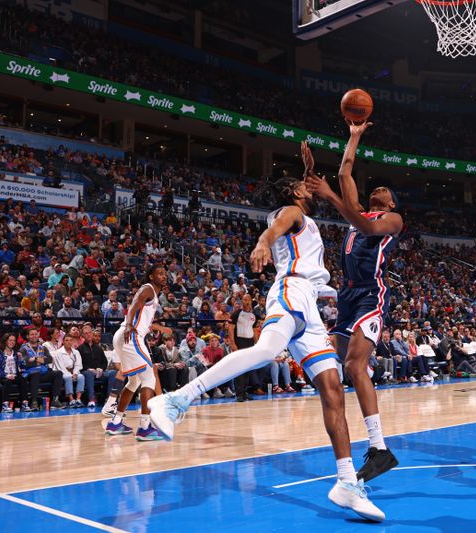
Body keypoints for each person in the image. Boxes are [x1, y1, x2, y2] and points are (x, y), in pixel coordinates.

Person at [149, 176, 384, 522]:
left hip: (309, 305)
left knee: (333, 389)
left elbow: (298, 207)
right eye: (303, 185)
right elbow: (275, 228)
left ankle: (347, 482)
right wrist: (262, 242)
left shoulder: (301, 215)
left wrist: (309, 169)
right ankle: (175, 399)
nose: (308, 187)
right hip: (290, 290)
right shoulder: (291, 212)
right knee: (266, 350)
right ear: (293, 193)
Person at [304, 123, 403, 482]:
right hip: (346, 295)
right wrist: (355, 133)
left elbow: (367, 228)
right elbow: (345, 170)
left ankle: (379, 447)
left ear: (391, 203)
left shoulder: (391, 219)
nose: (378, 188)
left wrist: (331, 197)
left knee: (355, 365)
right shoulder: (356, 209)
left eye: (385, 189)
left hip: (370, 293)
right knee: (338, 364)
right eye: (375, 186)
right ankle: (362, 436)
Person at [107, 265, 172, 441]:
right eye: (160, 273)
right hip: (131, 334)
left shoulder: (154, 294)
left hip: (126, 336)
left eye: (165, 274)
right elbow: (135, 303)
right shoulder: (147, 288)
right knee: (150, 377)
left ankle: (115, 422)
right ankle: (145, 427)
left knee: (134, 381)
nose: (164, 276)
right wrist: (129, 324)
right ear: (151, 276)